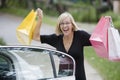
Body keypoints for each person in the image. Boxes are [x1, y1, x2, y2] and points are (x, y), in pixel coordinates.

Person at [33, 8, 91, 80]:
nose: (64, 26)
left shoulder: (80, 35)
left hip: (79, 78)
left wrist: (106, 24)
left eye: (67, 23)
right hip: (63, 78)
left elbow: (98, 40)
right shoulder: (57, 38)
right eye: (62, 23)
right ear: (59, 26)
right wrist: (40, 19)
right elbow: (35, 37)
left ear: (72, 25)